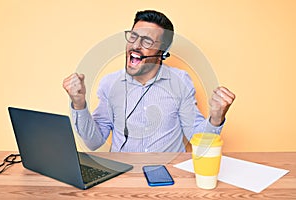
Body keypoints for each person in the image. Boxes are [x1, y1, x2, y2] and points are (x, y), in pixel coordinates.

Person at [63, 10, 235, 152]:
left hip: (169, 179)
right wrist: (78, 104)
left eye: (147, 41)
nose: (136, 45)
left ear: (162, 52)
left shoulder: (180, 82)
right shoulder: (110, 83)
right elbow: (94, 142)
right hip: (124, 177)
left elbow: (197, 140)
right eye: (133, 37)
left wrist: (216, 118)